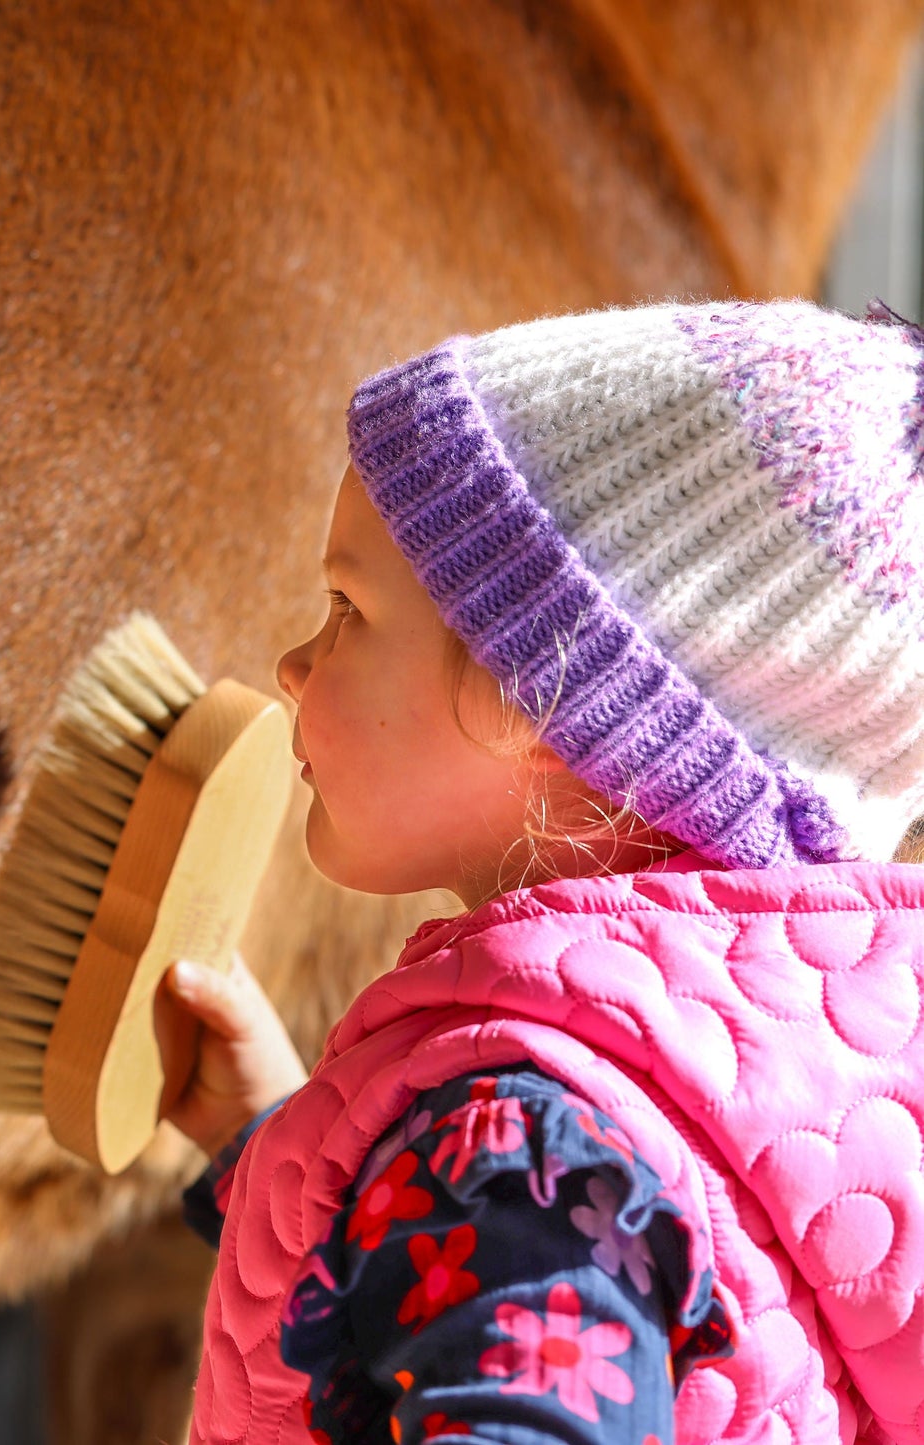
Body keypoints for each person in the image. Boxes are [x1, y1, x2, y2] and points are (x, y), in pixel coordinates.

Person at [159, 299, 924, 1445]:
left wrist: (441, 1162)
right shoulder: (750, 1096)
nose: (292, 663)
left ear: (535, 686)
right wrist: (280, 1140)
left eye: (346, 606)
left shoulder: (519, 1159)